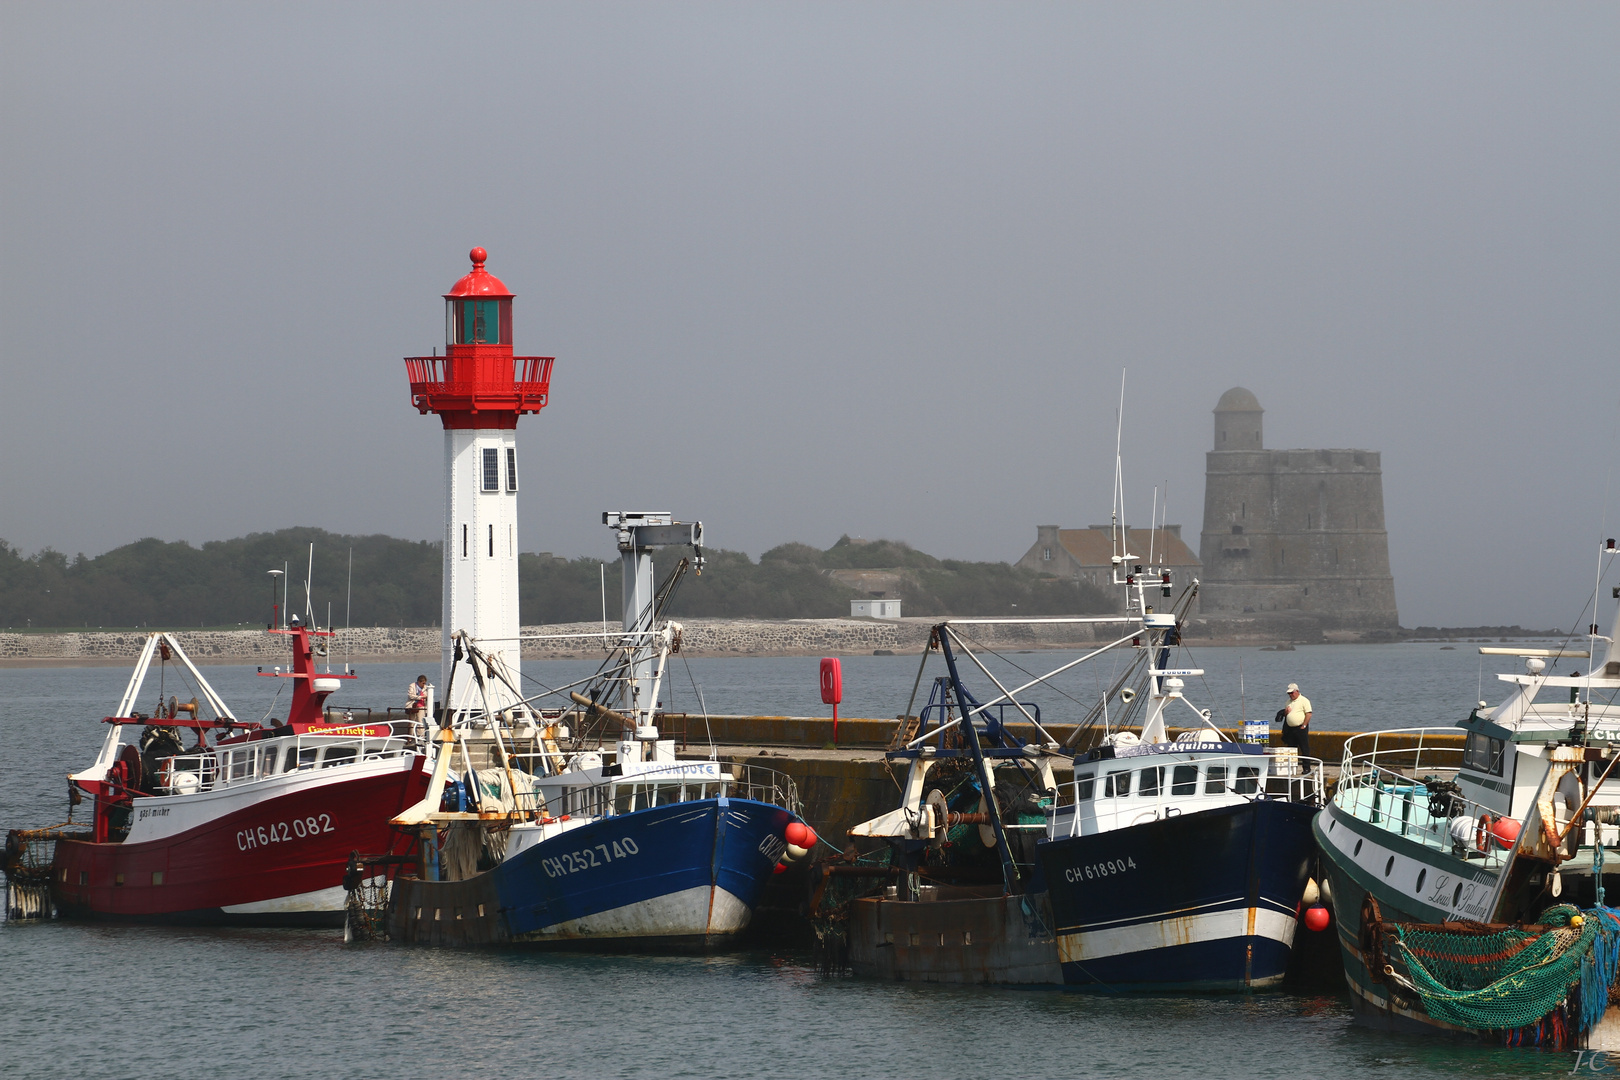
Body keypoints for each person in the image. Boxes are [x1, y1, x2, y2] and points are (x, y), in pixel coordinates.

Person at [1278, 682, 1312, 755]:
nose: (1290, 695)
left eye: (1292, 693)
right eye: (1289, 693)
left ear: (1297, 691)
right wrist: (1285, 712)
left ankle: (1306, 766)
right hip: (1290, 728)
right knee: (1291, 749)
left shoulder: (1304, 700)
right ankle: (1292, 766)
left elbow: (1308, 714)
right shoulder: (1288, 702)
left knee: (1304, 748)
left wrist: (1304, 725)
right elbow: (1286, 715)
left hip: (1300, 728)